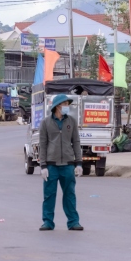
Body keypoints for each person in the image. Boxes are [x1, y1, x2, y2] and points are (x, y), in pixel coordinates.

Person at [37, 93, 83, 232]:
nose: (67, 107)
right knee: (49, 195)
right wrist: (43, 166)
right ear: (57, 106)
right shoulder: (45, 123)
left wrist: (79, 163)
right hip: (51, 165)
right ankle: (48, 222)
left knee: (70, 194)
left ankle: (73, 222)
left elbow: (76, 142)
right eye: (65, 104)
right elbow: (43, 144)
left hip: (68, 164)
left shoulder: (71, 122)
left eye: (67, 104)